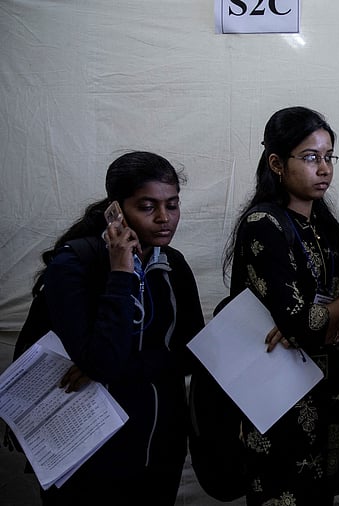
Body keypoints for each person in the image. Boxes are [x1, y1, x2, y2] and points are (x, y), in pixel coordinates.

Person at [223, 106, 339, 506]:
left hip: (328, 396)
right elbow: (304, 325)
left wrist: (329, 317)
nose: (323, 168)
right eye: (310, 157)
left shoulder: (325, 226)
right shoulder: (265, 223)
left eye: (328, 157)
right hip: (279, 402)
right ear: (277, 162)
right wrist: (338, 312)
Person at [34, 151, 204, 505]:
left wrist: (130, 367)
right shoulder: (74, 265)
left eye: (172, 205)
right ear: (117, 210)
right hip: (86, 456)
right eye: (147, 206)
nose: (164, 218)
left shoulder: (173, 265)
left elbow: (192, 354)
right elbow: (100, 362)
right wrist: (121, 273)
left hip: (160, 452)